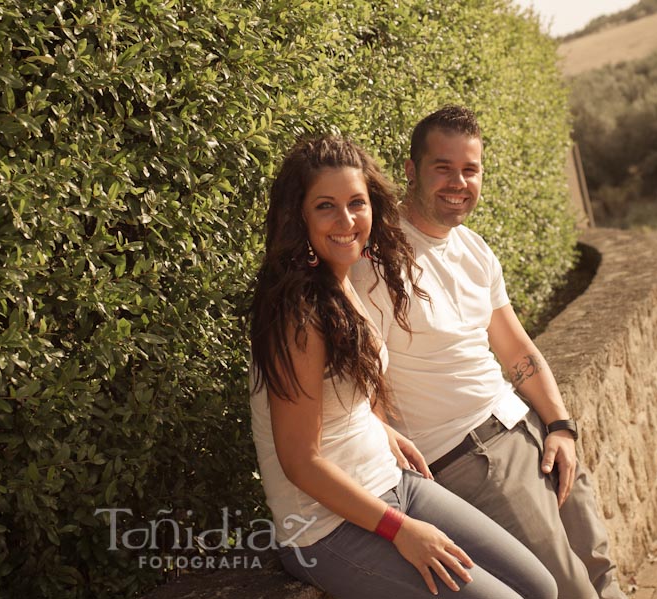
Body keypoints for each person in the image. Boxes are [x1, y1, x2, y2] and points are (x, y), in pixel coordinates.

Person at [249, 135, 557, 598]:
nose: (347, 220)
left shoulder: (341, 281)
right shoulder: (297, 314)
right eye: (325, 207)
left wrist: (381, 428)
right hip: (324, 526)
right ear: (299, 217)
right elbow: (300, 460)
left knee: (542, 587)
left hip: (392, 482)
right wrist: (402, 531)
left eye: (357, 203)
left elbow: (343, 397)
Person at [351, 105, 626, 599]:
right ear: (411, 170)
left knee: (601, 570)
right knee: (570, 591)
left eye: (470, 170)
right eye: (443, 168)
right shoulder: (377, 263)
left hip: (530, 431)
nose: (459, 182)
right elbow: (364, 378)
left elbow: (516, 347)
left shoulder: (474, 248)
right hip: (469, 457)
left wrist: (560, 426)